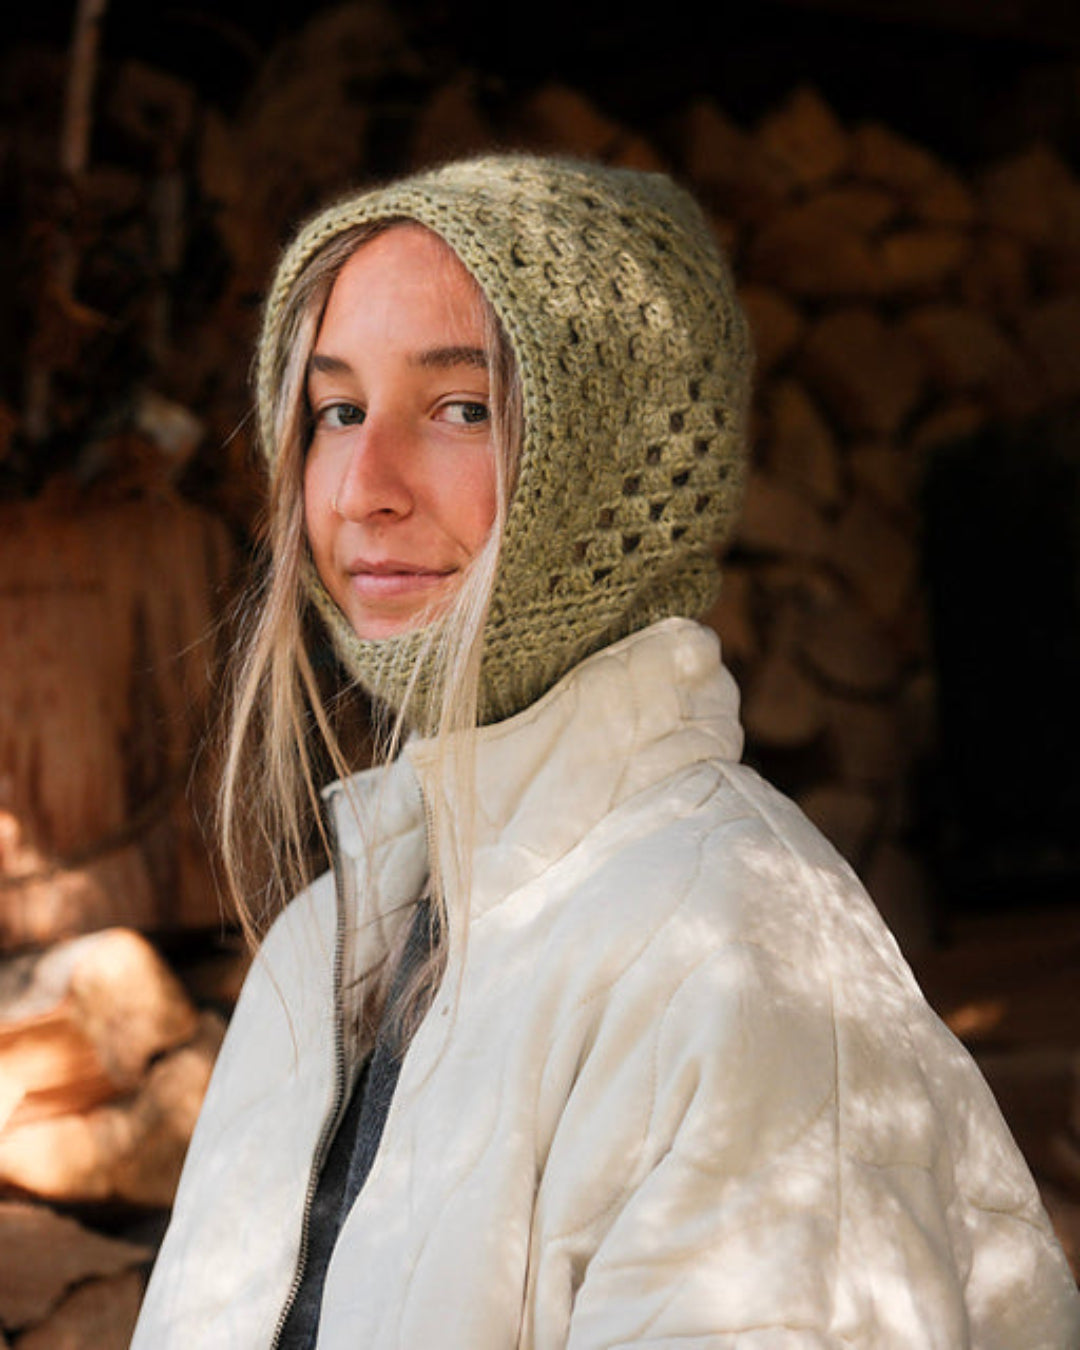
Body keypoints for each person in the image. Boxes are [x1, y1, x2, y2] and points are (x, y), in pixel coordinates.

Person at [132, 154, 1080, 1348]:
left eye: (462, 408)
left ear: (615, 465)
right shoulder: (319, 952)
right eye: (337, 412)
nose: (362, 488)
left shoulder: (737, 954)